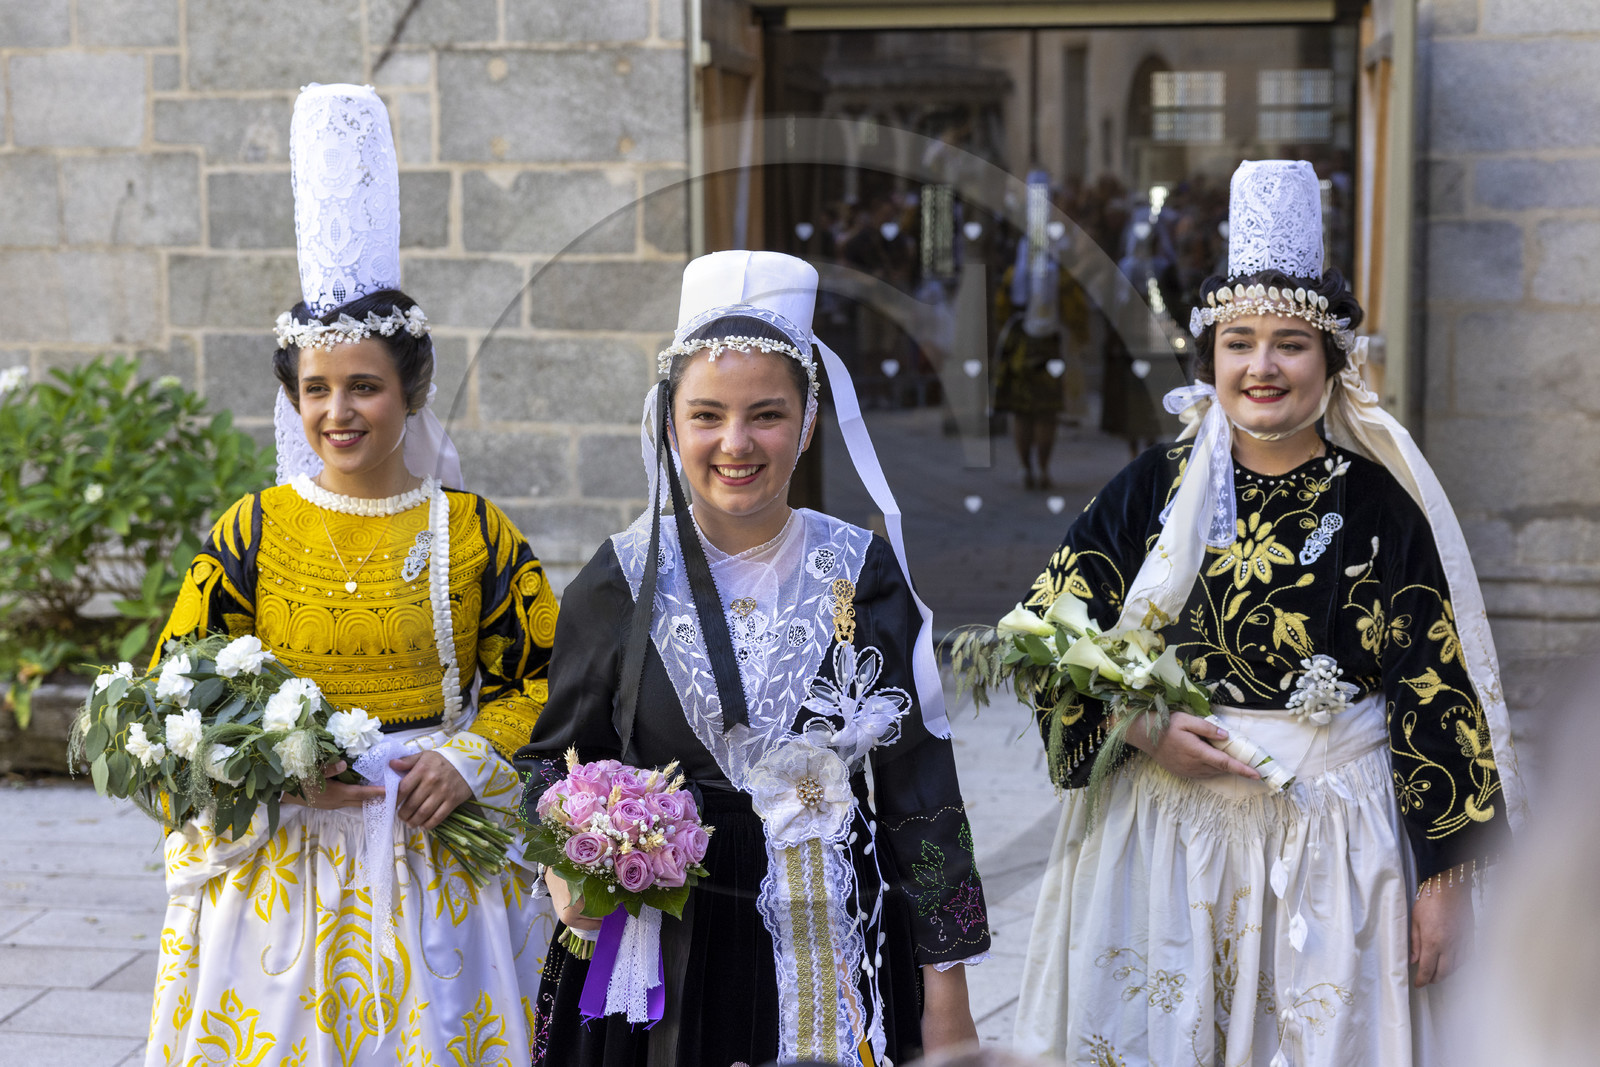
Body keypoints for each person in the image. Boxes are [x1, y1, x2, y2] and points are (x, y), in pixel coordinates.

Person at [1010, 161, 1526, 1065]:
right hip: (1172, 835)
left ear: (1331, 360)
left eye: (1290, 342)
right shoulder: (1152, 492)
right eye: (1238, 340)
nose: (1262, 365)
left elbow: (1434, 692)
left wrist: (1444, 878)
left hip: (1338, 843)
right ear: (1208, 356)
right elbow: (1047, 632)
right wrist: (1139, 727)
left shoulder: (1379, 510)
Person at [144, 85, 558, 1064]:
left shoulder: (473, 532)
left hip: (431, 851)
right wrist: (274, 762)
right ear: (293, 400)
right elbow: (174, 685)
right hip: (280, 861)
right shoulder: (251, 529)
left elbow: (539, 679)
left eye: (364, 385)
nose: (341, 410)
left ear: (410, 392)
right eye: (317, 388)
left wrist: (467, 761)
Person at [516, 251, 990, 1067]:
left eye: (765, 414)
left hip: (836, 936)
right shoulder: (620, 579)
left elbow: (922, 793)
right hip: (662, 947)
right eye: (706, 415)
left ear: (807, 424)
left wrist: (948, 999)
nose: (735, 443)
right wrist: (566, 860)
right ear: (670, 423)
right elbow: (546, 762)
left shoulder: (863, 573)